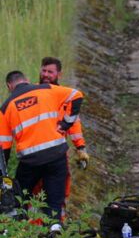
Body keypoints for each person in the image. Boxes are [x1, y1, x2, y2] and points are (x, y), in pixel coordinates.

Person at [0, 70, 84, 220]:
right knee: (55, 202)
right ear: (27, 79)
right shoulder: (46, 89)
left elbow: (4, 147)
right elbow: (76, 95)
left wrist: (3, 176)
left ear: (9, 86)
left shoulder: (6, 108)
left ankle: (20, 231)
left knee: (20, 197)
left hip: (30, 161)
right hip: (56, 155)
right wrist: (66, 124)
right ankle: (55, 230)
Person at [34, 57, 89, 217]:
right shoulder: (32, 93)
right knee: (34, 193)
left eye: (50, 72)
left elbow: (74, 124)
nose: (46, 74)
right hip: (34, 152)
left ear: (59, 74)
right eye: (43, 70)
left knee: (59, 192)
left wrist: (80, 147)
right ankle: (34, 231)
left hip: (58, 153)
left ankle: (56, 226)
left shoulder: (65, 97)